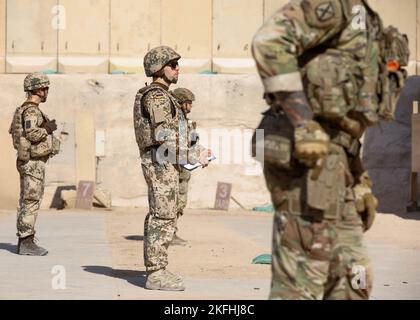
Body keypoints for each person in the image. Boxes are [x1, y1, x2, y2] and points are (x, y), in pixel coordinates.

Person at [251, 0, 409, 299]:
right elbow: (269, 42)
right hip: (306, 157)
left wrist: (358, 178)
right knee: (302, 279)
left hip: (337, 159)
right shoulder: (336, 6)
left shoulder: (365, 18)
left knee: (353, 275)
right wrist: (304, 123)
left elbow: (346, 118)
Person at [133, 46, 209, 291]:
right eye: (173, 65)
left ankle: (157, 269)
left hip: (165, 161)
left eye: (177, 64)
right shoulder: (156, 96)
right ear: (159, 68)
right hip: (160, 162)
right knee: (163, 215)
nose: (178, 69)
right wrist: (195, 155)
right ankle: (156, 273)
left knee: (162, 213)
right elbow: (165, 136)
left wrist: (193, 151)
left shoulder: (164, 95)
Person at [9, 73, 61, 256]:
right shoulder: (31, 110)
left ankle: (26, 239)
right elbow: (31, 134)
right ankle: (26, 241)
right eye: (45, 88)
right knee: (30, 201)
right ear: (39, 89)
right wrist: (46, 129)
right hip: (32, 163)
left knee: (29, 200)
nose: (47, 92)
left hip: (31, 162)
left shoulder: (27, 109)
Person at [170, 88, 200, 246]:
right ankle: (170, 234)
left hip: (184, 169)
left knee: (179, 202)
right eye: (189, 103)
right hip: (178, 169)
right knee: (176, 202)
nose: (191, 106)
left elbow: (191, 142)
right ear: (181, 104)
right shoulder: (178, 120)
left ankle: (171, 232)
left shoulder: (184, 120)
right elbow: (180, 146)